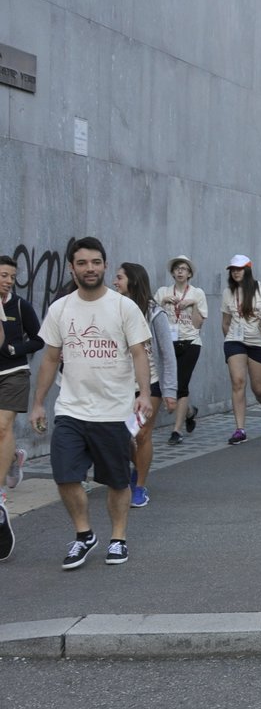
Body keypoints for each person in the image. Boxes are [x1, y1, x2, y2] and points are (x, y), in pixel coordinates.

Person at [29, 237, 153, 569]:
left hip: (113, 410)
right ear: (72, 268)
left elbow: (139, 352)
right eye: (82, 263)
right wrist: (38, 403)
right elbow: (50, 358)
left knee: (115, 480)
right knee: (65, 475)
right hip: (71, 408)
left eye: (96, 262)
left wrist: (144, 393)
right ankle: (84, 535)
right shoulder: (61, 308)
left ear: (105, 265)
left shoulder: (123, 307)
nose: (90, 268)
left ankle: (118, 538)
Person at [115, 263, 176, 508]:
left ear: (133, 281)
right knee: (121, 436)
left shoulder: (155, 313)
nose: (115, 282)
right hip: (118, 385)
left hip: (149, 384)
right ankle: (136, 467)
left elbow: (167, 353)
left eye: (119, 277)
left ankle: (139, 486)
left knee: (142, 434)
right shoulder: (113, 308)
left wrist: (170, 390)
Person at [0, 256, 43, 507]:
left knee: (3, 427)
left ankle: (1, 492)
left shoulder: (19, 306)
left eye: (12, 277)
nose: (8, 281)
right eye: (3, 275)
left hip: (14, 373)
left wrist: (18, 349)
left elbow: (39, 339)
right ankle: (13, 458)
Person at [220, 255, 261, 444]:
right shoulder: (228, 292)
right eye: (233, 269)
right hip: (235, 341)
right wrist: (231, 340)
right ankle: (240, 429)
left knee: (259, 389)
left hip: (259, 343)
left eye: (239, 268)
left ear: (248, 269)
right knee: (238, 382)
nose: (236, 272)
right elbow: (225, 322)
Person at [155, 256, 207, 447]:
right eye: (177, 268)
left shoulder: (197, 293)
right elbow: (151, 316)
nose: (180, 271)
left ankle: (176, 430)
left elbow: (198, 323)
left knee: (181, 384)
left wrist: (192, 304)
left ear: (189, 273)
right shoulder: (162, 291)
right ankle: (189, 412)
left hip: (191, 342)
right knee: (168, 383)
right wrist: (162, 301)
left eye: (184, 269)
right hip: (168, 343)